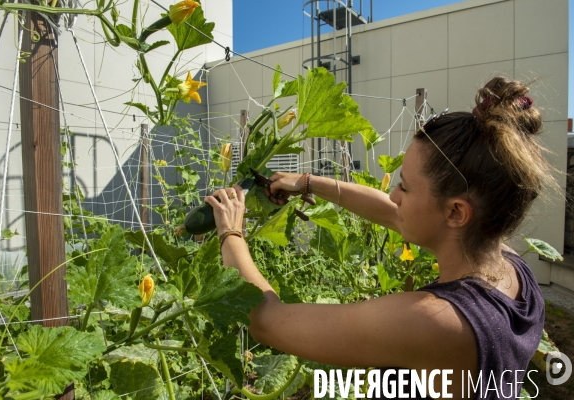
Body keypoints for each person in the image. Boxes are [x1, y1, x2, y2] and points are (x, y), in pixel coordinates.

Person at [203, 77, 553, 399]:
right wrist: (310, 183)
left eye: (406, 185)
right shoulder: (512, 269)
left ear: (455, 213)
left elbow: (266, 321)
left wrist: (231, 232)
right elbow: (394, 213)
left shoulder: (435, 322)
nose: (394, 195)